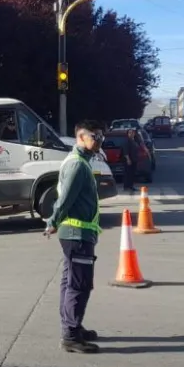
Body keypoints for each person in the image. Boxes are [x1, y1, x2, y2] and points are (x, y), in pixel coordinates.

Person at [44, 124, 102, 354]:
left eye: (101, 136)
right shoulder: (78, 164)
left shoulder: (80, 160)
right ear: (80, 137)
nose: (98, 140)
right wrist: (52, 221)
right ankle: (70, 334)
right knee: (79, 285)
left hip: (78, 233)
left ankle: (73, 326)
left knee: (71, 283)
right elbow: (65, 198)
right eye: (94, 136)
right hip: (77, 234)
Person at [120, 129, 139, 194]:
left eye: (132, 132)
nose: (131, 134)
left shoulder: (134, 140)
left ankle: (131, 186)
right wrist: (128, 159)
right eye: (130, 133)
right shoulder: (127, 141)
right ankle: (126, 186)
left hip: (134, 159)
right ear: (127, 134)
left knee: (132, 174)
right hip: (129, 160)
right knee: (127, 173)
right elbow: (126, 151)